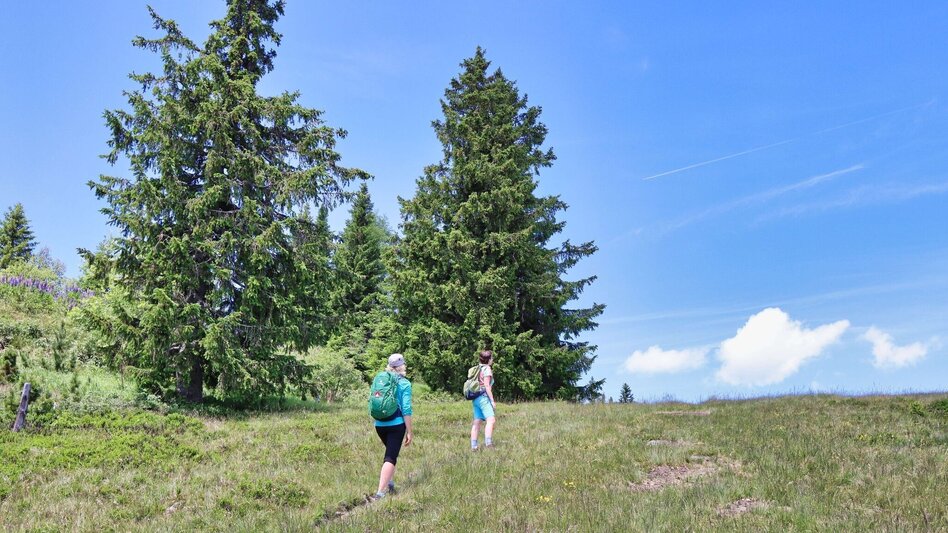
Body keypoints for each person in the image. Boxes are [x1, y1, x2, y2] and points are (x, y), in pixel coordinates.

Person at [371, 353, 413, 501]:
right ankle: (380, 493)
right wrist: (409, 431)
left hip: (379, 424)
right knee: (390, 457)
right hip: (396, 425)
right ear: (402, 366)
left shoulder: (381, 379)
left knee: (390, 453)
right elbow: (406, 409)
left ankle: (390, 483)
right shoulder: (404, 383)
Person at [470, 350, 496, 451]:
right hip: (483, 398)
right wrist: (492, 401)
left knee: (477, 422)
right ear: (488, 360)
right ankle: (489, 444)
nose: (492, 360)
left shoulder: (477, 368)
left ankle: (474, 446)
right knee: (491, 420)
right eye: (492, 358)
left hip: (475, 398)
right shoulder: (487, 369)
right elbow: (487, 385)